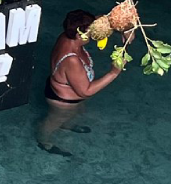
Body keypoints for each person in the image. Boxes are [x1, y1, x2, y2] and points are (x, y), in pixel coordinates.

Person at [37, 9, 133, 156]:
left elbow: (105, 20)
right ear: (78, 34)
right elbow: (85, 91)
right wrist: (113, 72)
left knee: (77, 111)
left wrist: (125, 29)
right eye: (90, 32)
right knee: (53, 121)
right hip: (62, 101)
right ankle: (44, 141)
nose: (94, 33)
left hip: (64, 90)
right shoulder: (72, 60)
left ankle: (67, 125)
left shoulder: (66, 35)